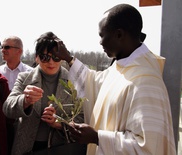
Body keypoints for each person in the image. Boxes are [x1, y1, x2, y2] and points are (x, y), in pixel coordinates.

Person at [52, 4, 176, 155]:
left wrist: (97, 137)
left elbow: (147, 148)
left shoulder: (145, 81)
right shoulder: (122, 68)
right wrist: (68, 58)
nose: (100, 42)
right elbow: (94, 82)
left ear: (119, 35)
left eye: (102, 35)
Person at [2, 32, 86, 155]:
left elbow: (82, 117)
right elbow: (7, 109)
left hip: (61, 147)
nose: (51, 62)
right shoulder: (24, 78)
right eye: (45, 57)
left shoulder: (73, 82)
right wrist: (25, 101)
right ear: (36, 57)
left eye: (56, 57)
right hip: (26, 147)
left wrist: (60, 123)